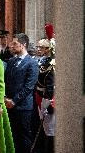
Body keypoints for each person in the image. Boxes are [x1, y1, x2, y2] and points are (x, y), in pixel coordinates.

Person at [4, 33, 39, 153]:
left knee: (23, 137)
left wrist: (14, 100)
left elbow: (29, 87)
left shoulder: (32, 63)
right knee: (11, 136)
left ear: (23, 45)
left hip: (23, 107)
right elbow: (5, 81)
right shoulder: (11, 61)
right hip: (8, 105)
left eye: (15, 43)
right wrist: (5, 98)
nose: (11, 46)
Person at [34, 24, 56, 153]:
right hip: (40, 97)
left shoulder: (52, 64)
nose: (39, 49)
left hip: (48, 99)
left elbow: (51, 86)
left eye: (42, 48)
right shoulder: (43, 61)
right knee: (45, 129)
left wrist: (48, 103)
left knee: (50, 130)